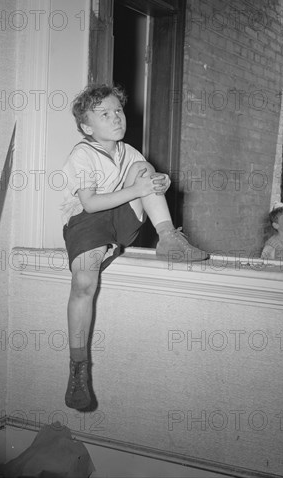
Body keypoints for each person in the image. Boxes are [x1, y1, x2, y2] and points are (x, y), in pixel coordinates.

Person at [61, 83, 208, 411]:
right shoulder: (82, 153)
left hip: (120, 220)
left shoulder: (129, 153)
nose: (116, 118)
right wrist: (139, 189)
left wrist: (155, 183)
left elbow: (141, 183)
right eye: (104, 114)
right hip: (87, 221)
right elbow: (91, 203)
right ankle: (78, 370)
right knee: (84, 284)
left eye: (118, 111)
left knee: (145, 169)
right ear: (87, 126)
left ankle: (168, 238)